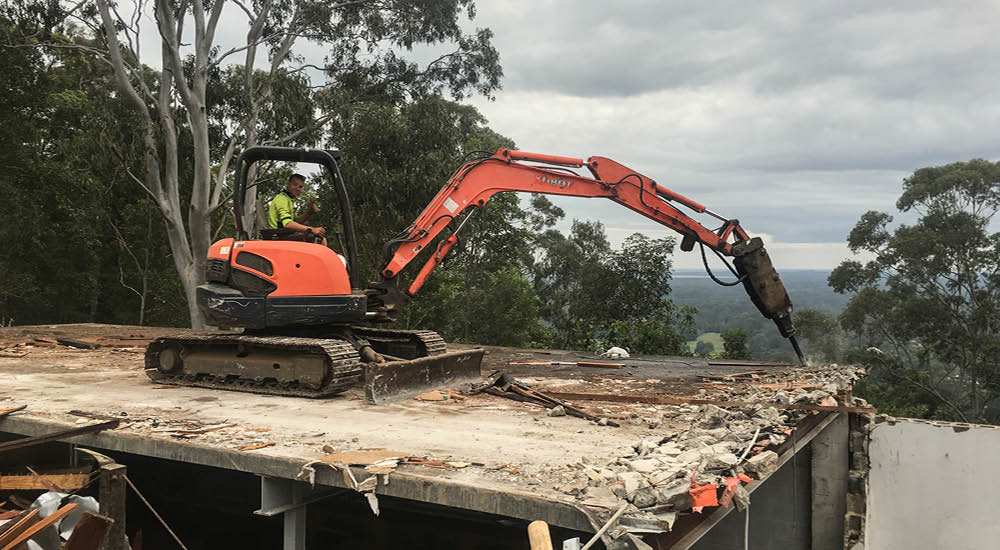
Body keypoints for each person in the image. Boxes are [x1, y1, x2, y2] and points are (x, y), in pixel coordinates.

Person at [267, 173, 327, 245]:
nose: (298, 188)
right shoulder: (282, 199)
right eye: (295, 184)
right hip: (278, 237)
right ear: (287, 184)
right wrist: (312, 230)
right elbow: (288, 224)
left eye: (300, 186)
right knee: (321, 239)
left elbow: (295, 222)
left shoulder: (289, 199)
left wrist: (309, 212)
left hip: (285, 234)